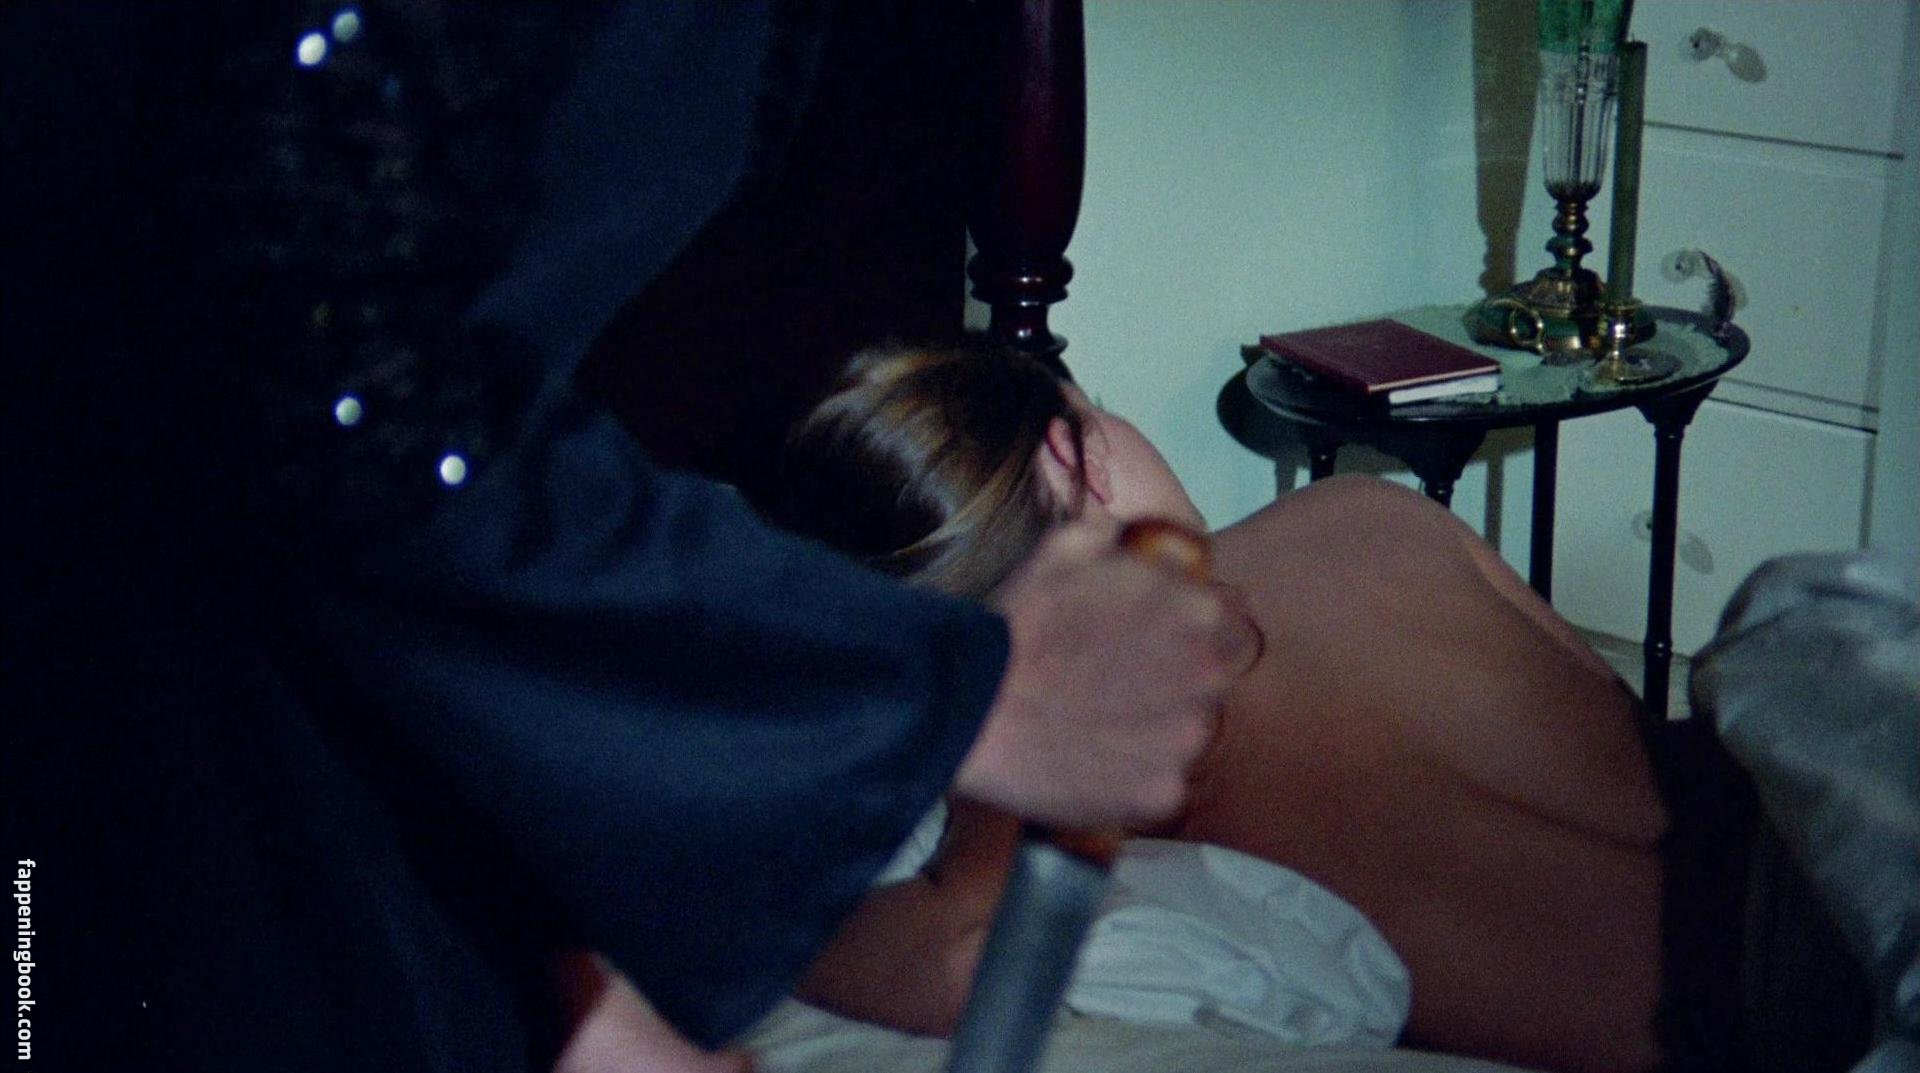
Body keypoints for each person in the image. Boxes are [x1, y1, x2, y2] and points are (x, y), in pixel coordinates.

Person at [4, 6, 1237, 1071]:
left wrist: (557, 980)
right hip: (116, 706)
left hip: (267, 694)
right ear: (1069, 458)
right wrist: (947, 697)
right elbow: (322, 356)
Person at [755, 341, 1673, 1073]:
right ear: (1074, 455)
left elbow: (960, 961)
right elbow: (1624, 723)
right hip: (1744, 872)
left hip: (1689, 1024)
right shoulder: (1364, 513)